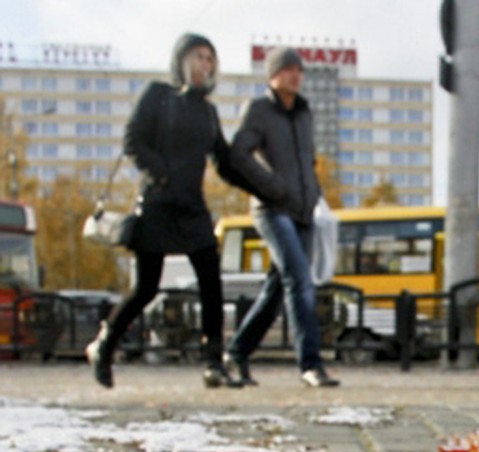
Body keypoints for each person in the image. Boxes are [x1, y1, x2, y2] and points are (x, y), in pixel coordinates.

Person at [86, 33, 246, 389]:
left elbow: (225, 160)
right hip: (158, 204)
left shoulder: (208, 111)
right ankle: (104, 344)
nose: (205, 65)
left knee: (211, 283)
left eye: (210, 59)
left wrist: (264, 184)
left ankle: (213, 363)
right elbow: (133, 140)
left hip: (192, 207)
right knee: (146, 288)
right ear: (182, 61)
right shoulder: (158, 95)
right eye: (199, 57)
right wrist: (161, 174)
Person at [223, 46, 339, 388]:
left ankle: (237, 352)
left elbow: (308, 159)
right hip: (272, 209)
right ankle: (311, 363)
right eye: (287, 69)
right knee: (300, 282)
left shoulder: (304, 114)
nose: (295, 75)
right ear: (273, 75)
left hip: (303, 211)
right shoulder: (258, 110)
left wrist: (314, 192)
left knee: (275, 292)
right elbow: (238, 154)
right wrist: (270, 186)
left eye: (299, 70)